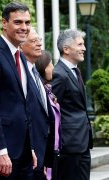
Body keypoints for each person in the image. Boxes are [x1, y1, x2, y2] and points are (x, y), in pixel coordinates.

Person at [0, 2, 35, 179]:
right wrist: (0, 149)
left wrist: (30, 147)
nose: (24, 27)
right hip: (6, 151)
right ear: (4, 23)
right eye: (18, 22)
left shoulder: (21, 56)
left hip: (24, 149)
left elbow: (24, 103)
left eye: (27, 23)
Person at [51, 29, 93, 180]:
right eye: (80, 44)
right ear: (66, 49)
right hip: (68, 146)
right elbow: (52, 111)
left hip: (82, 144)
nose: (84, 48)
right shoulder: (59, 74)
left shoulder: (74, 71)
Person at [20, 28, 54, 180]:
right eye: (33, 41)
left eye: (39, 40)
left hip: (42, 150)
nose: (39, 44)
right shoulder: (21, 73)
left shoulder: (35, 73)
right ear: (21, 46)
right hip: (29, 151)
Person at [35, 50, 60, 180]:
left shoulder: (48, 90)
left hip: (53, 150)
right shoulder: (39, 91)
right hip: (43, 152)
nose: (53, 68)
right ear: (43, 67)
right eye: (50, 64)